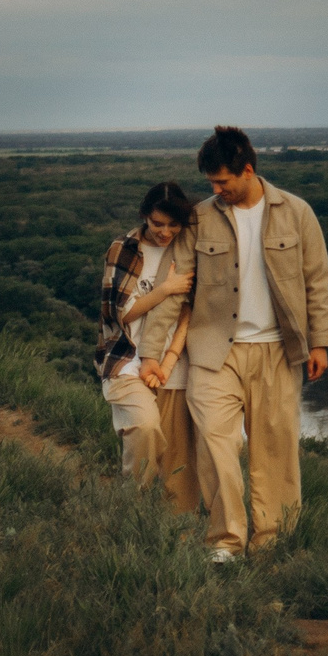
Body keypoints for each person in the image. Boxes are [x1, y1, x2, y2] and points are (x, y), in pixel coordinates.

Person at [182, 125, 328, 562]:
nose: (215, 190)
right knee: (216, 445)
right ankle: (225, 545)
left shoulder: (297, 213)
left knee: (276, 450)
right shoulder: (200, 218)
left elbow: (316, 282)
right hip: (214, 351)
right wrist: (157, 353)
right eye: (210, 182)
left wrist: (320, 342)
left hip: (277, 351)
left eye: (222, 181)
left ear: (247, 171)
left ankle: (274, 545)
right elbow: (179, 291)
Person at [94, 182, 203, 511]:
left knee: (179, 460)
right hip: (125, 357)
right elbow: (120, 313)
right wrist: (165, 289)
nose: (165, 232)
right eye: (158, 224)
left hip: (174, 363)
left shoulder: (188, 248)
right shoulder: (124, 248)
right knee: (144, 427)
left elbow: (189, 313)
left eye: (173, 225)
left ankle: (177, 532)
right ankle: (131, 507)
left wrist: (169, 360)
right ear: (144, 217)